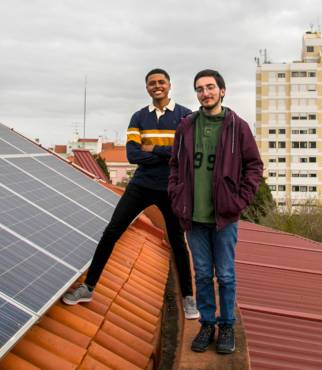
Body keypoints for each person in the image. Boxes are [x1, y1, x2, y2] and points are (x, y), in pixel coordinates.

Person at [63, 68, 199, 320]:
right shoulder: (138, 117)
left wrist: (153, 148)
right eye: (151, 83)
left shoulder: (185, 117)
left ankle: (189, 298)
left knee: (178, 242)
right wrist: (166, 151)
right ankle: (88, 287)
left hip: (171, 188)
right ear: (147, 87)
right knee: (111, 232)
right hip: (141, 185)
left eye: (161, 82)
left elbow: (185, 154)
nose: (156, 86)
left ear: (169, 85)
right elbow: (133, 155)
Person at [168, 69, 263, 353]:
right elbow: (174, 165)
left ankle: (227, 325)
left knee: (225, 275)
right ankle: (207, 323)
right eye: (199, 89)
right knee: (201, 275)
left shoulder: (238, 126)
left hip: (224, 217)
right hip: (193, 217)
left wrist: (239, 201)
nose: (205, 93)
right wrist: (176, 195)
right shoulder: (186, 126)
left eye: (210, 87)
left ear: (222, 91)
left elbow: (254, 166)